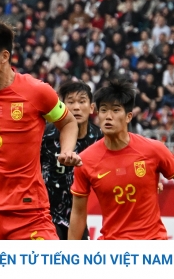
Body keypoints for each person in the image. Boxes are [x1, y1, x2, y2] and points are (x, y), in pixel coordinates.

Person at [0, 18, 82, 240]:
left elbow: (69, 122)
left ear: (4, 56)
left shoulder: (37, 92)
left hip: (28, 211)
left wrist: (66, 151)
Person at [69, 78, 174, 240]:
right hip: (114, 250)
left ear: (128, 116)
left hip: (153, 247)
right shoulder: (85, 160)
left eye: (115, 110)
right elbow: (78, 212)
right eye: (103, 110)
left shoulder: (153, 150)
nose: (108, 116)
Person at [41, 81, 103, 240]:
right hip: (43, 216)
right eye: (71, 102)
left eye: (82, 101)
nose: (76, 107)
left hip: (77, 216)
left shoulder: (100, 139)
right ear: (61, 106)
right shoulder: (45, 135)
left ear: (91, 108)